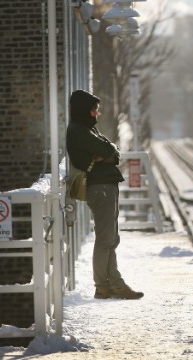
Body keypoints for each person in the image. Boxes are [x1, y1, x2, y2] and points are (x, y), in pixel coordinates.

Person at [66, 89, 144, 300]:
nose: (97, 114)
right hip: (99, 187)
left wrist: (107, 153)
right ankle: (103, 285)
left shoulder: (87, 129)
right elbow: (109, 151)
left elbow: (112, 152)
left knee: (110, 238)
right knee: (105, 238)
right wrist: (106, 154)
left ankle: (113, 284)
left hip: (104, 186)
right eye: (93, 110)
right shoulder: (79, 131)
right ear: (84, 110)